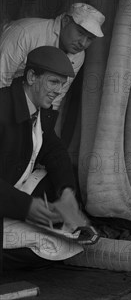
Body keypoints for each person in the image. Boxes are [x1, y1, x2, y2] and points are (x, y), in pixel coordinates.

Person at [0, 46, 86, 268]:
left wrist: (66, 193)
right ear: (31, 77)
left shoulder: (39, 113)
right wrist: (25, 206)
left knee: (62, 245)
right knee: (45, 250)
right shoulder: (2, 107)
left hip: (9, 198)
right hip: (9, 199)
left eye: (62, 84)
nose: (58, 90)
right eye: (53, 82)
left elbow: (55, 152)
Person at [0, 2, 105, 109]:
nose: (83, 43)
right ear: (65, 21)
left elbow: (56, 97)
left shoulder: (78, 55)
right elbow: (1, 79)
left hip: (23, 99)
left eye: (90, 38)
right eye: (80, 33)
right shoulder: (25, 32)